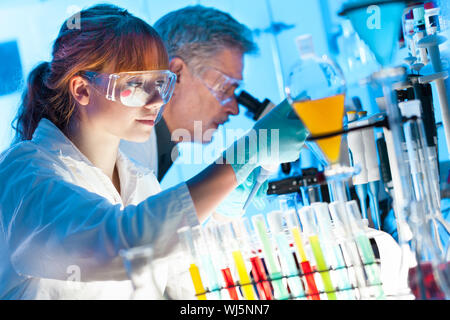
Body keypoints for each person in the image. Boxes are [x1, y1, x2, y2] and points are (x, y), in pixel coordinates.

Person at [0, 4, 307, 299]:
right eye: (135, 83)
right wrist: (240, 157)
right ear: (82, 89)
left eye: (161, 83)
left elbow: (179, 279)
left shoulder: (140, 181)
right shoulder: (23, 172)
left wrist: (221, 216)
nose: (157, 100)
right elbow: (125, 244)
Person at [120, 5, 256, 183]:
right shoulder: (126, 147)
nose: (234, 109)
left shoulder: (157, 147)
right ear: (175, 74)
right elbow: (139, 212)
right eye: (224, 88)